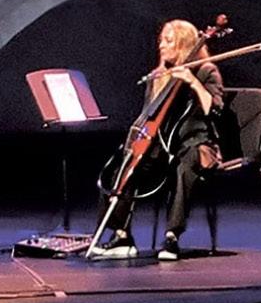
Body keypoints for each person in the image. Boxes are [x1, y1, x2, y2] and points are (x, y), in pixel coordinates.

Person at [89, 19, 226, 262]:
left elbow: (213, 110)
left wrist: (192, 82)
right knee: (122, 165)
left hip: (196, 142)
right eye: (161, 40)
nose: (161, 45)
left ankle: (172, 237)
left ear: (184, 44)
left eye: (168, 41)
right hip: (163, 145)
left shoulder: (206, 71)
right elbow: (148, 117)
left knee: (186, 164)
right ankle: (122, 236)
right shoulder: (158, 76)